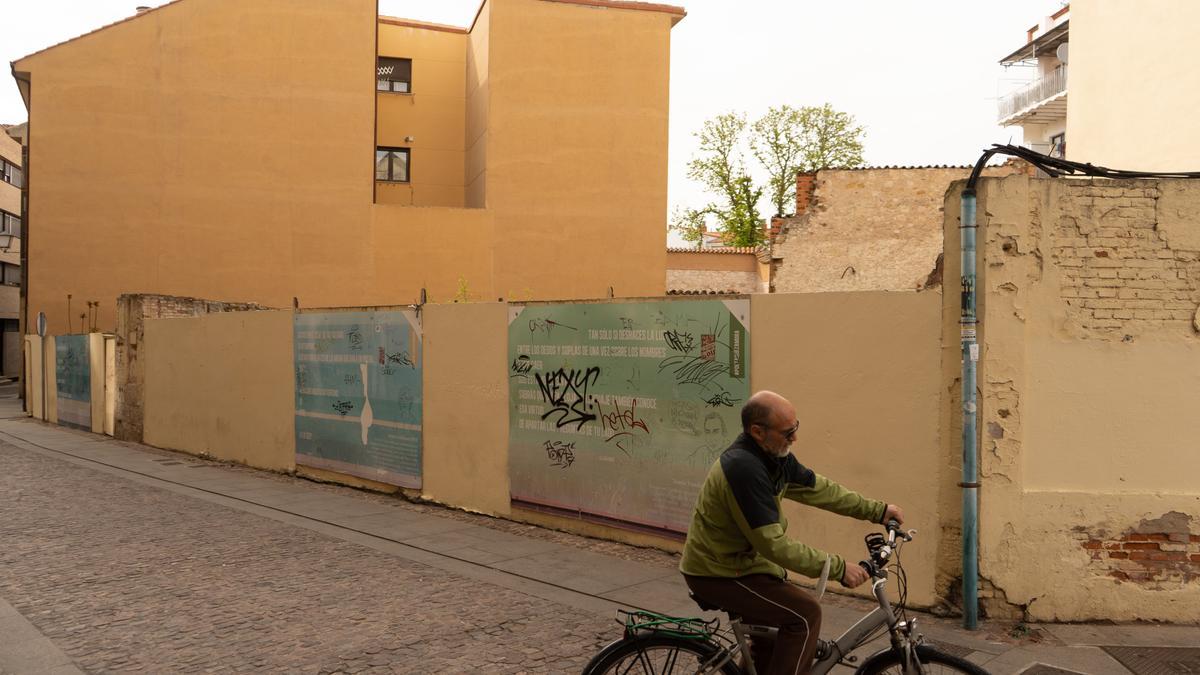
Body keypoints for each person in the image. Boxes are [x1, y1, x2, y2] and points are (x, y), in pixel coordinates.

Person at [679, 390, 904, 675]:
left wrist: (877, 511)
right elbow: (774, 545)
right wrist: (837, 568)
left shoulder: (775, 458)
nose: (794, 439)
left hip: (742, 564)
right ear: (758, 432)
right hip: (717, 572)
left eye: (795, 429)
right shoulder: (744, 469)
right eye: (787, 433)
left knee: (772, 640)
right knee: (805, 615)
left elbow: (819, 490)